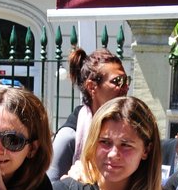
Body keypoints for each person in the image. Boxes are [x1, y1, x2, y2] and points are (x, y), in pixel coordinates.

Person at [48, 47, 130, 182]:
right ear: (92, 87)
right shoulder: (69, 136)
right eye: (117, 81)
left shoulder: (128, 129)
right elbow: (51, 188)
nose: (125, 87)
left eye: (126, 81)